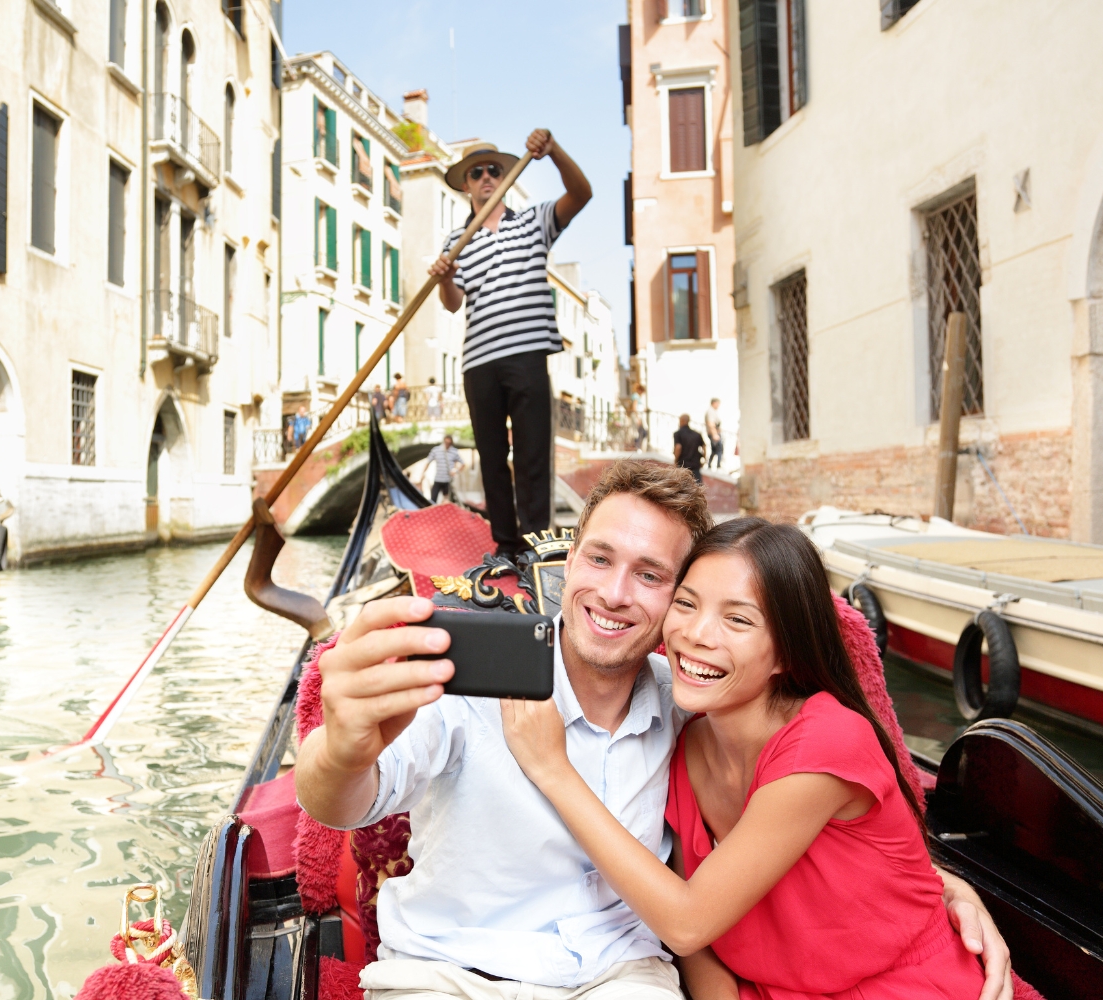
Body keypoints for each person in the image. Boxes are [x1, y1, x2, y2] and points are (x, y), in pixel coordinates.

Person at [294, 461, 1011, 1000]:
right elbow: (340, 799)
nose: (613, 593)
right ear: (566, 564)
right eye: (599, 560)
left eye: (651, 575)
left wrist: (937, 883)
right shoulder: (470, 684)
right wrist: (342, 746)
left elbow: (821, 808)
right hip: (452, 973)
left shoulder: (692, 702)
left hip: (621, 975)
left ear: (673, 596)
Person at [502, 518, 992, 999]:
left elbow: (687, 922)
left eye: (737, 619)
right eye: (686, 605)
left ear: (786, 652)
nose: (696, 634)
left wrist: (553, 769)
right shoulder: (685, 740)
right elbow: (691, 931)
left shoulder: (827, 742)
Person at [428, 130, 592, 556]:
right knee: (491, 456)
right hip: (479, 361)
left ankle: (537, 546)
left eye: (494, 170)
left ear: (505, 177)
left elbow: (582, 193)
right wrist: (445, 277)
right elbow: (451, 304)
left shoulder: (533, 222)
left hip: (527, 354)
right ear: (465, 183)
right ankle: (505, 544)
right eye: (476, 172)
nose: (486, 177)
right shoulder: (455, 243)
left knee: (533, 452)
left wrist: (554, 151)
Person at [426, 434, 464, 504]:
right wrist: (423, 474)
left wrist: (455, 471)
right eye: (446, 442)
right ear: (443, 441)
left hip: (447, 480)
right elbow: (428, 461)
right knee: (433, 499)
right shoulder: (436, 450)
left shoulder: (454, 451)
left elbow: (463, 463)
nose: (447, 445)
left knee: (447, 500)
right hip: (438, 479)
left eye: (449, 443)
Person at [673, 414, 705, 483]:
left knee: (682, 487)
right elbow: (704, 446)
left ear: (682, 421)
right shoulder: (697, 434)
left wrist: (675, 461)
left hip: (683, 465)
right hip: (695, 465)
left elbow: (678, 447)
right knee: (698, 488)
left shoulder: (678, 434)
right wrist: (704, 459)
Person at [704, 398, 724, 470]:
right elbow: (711, 423)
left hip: (715, 433)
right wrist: (714, 434)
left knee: (715, 450)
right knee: (719, 449)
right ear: (714, 403)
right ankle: (718, 466)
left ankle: (710, 465)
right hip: (714, 434)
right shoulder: (710, 411)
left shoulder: (713, 411)